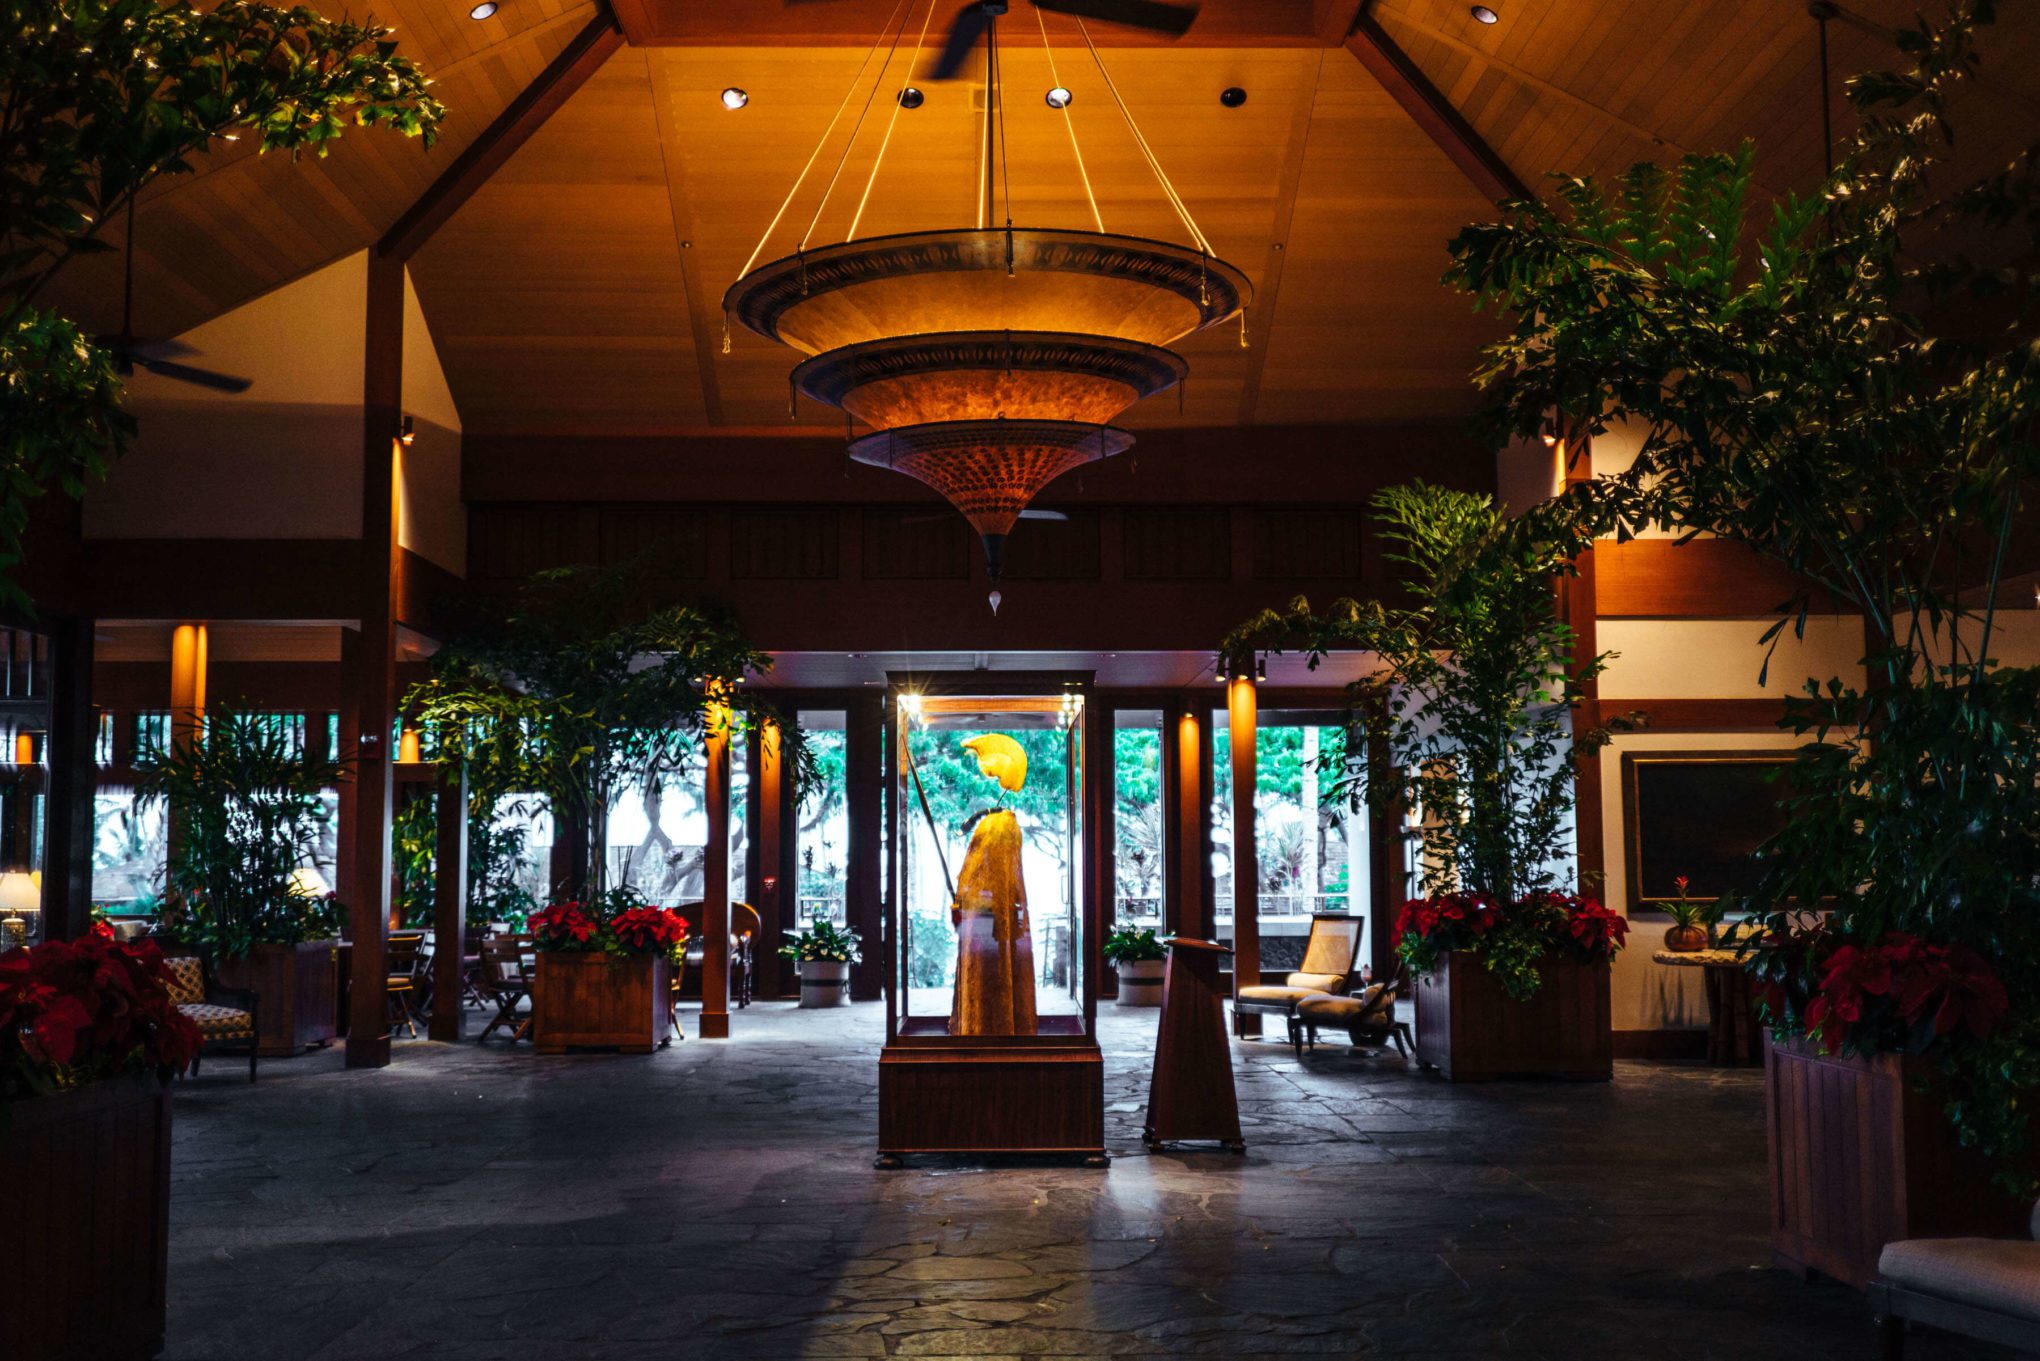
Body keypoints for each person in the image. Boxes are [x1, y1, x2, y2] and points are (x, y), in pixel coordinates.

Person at [949, 733, 1037, 1036]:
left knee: (993, 972)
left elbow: (993, 874)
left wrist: (967, 898)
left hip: (988, 916)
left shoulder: (1000, 824)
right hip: (981, 914)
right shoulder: (996, 821)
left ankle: (989, 1027)